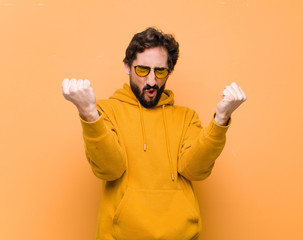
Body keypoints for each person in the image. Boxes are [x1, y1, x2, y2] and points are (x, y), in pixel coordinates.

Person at [61, 27, 246, 240]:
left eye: (160, 72)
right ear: (127, 66)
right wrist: (89, 114)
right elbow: (109, 169)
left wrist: (220, 120)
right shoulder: (104, 111)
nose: (151, 81)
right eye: (142, 70)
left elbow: (196, 170)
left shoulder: (186, 118)